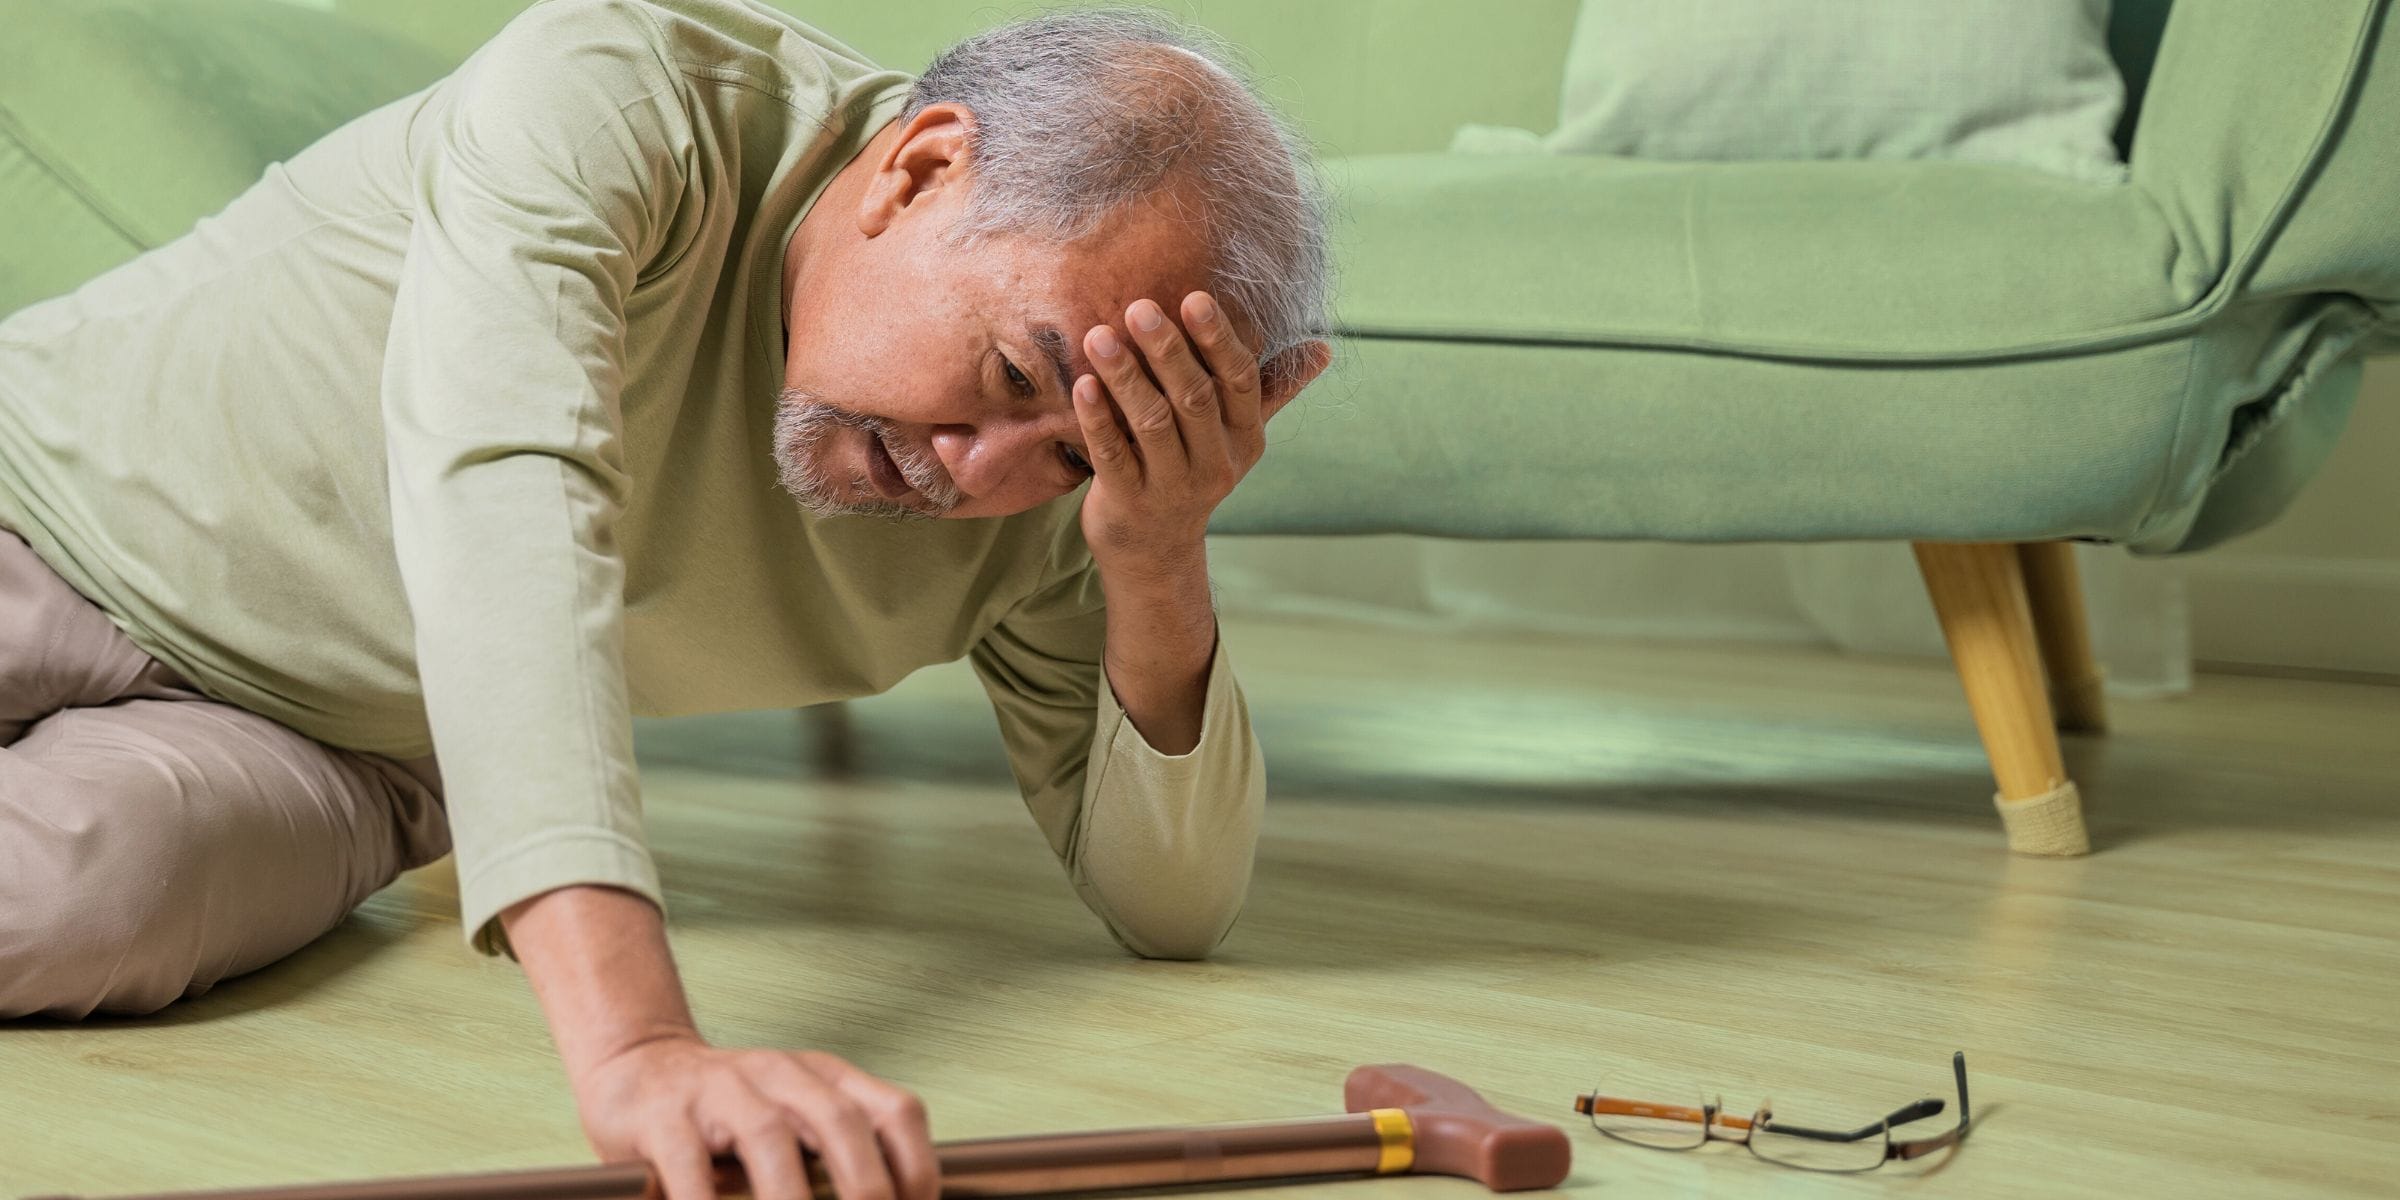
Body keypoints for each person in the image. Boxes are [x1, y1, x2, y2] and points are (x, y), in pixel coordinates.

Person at [0, 2, 1333, 1198]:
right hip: (36, 505)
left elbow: (1170, 905)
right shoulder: (622, 96)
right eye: (1006, 372)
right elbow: (506, 506)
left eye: (1074, 448)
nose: (976, 471)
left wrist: (1154, 550)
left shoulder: (1051, 516)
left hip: (331, 744)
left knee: (78, 906)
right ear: (920, 172)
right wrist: (639, 1049)